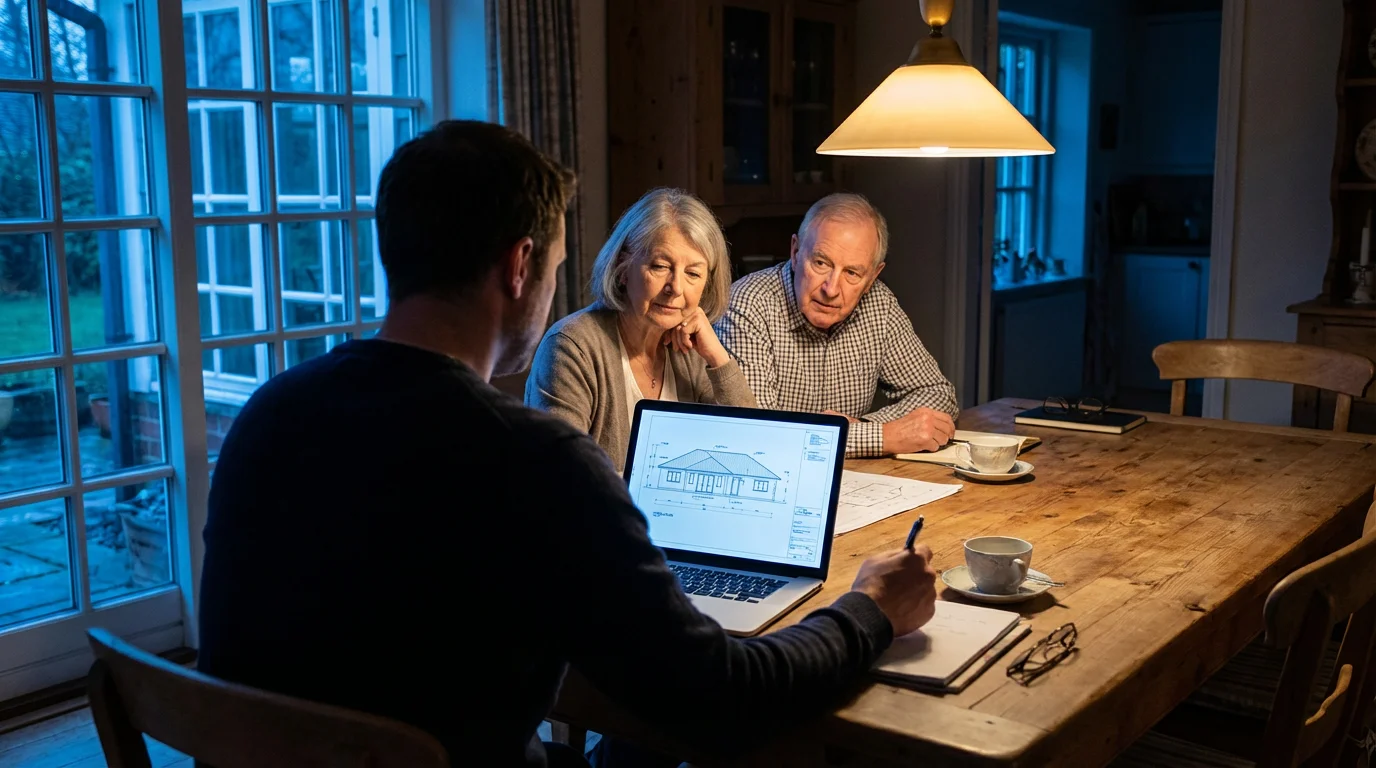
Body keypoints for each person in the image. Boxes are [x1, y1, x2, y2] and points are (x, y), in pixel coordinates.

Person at [197, 121, 939, 768]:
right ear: (520, 267)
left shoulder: (268, 414)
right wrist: (868, 608)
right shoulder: (535, 460)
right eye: (555, 266)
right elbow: (721, 697)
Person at [526, 188, 756, 472]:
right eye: (660, 266)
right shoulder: (572, 347)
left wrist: (718, 359)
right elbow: (560, 474)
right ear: (623, 267)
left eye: (693, 273)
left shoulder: (693, 351)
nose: (676, 288)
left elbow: (751, 446)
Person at [716, 193, 959, 459]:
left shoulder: (879, 302)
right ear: (795, 252)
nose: (831, 289)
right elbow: (760, 434)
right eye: (821, 263)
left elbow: (938, 394)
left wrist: (863, 427)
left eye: (852, 273)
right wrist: (884, 437)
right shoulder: (747, 304)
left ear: (872, 277)